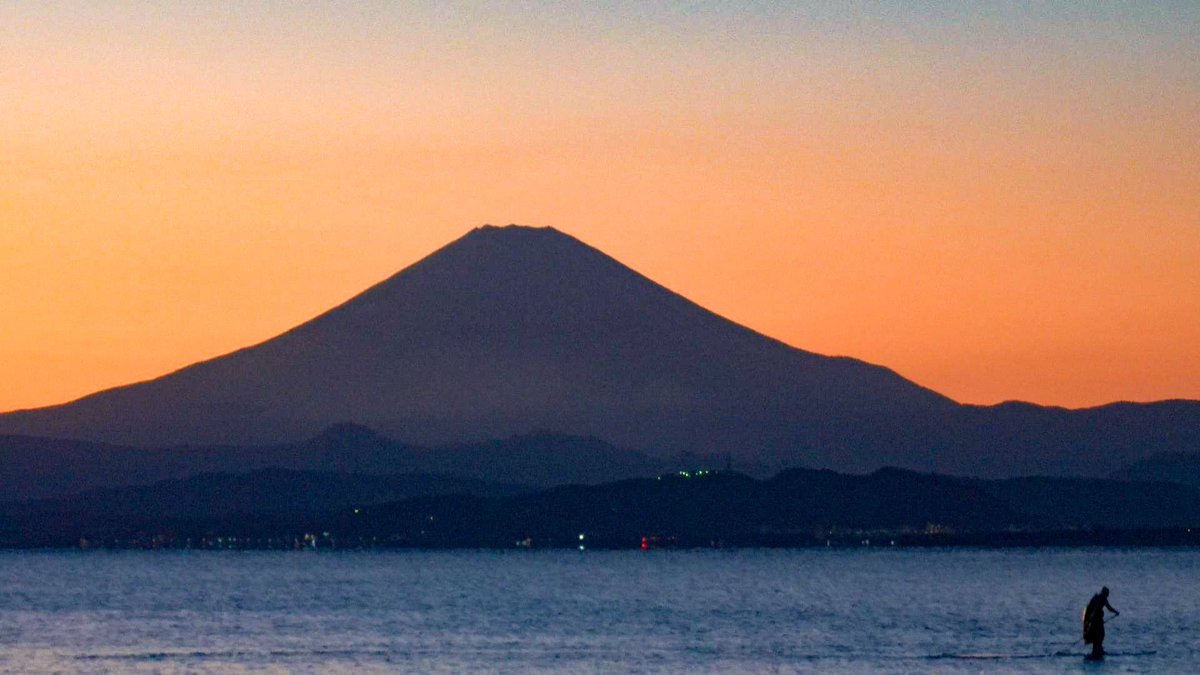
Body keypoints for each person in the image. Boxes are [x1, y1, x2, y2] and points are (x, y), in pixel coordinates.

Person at [1083, 586, 1119, 659]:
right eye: (1107, 594)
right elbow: (1109, 608)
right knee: (1100, 634)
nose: (1107, 596)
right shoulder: (1102, 598)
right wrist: (1116, 612)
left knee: (1096, 635)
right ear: (1105, 593)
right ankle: (1097, 650)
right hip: (1097, 620)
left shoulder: (1096, 597)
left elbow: (1088, 608)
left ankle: (1096, 649)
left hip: (1093, 620)